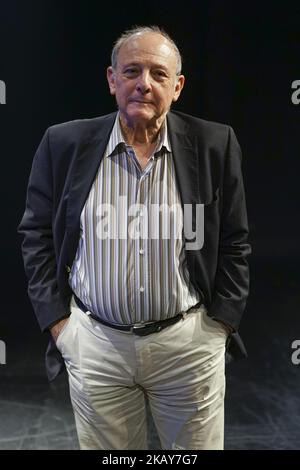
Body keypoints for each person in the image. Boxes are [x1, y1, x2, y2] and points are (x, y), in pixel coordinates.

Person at [18, 25, 251, 450]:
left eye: (159, 74)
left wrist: (219, 326)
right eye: (131, 71)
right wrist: (59, 324)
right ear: (112, 80)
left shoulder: (214, 144)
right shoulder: (64, 143)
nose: (144, 84)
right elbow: (35, 234)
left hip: (187, 347)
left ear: (177, 86)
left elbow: (235, 240)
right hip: (96, 347)